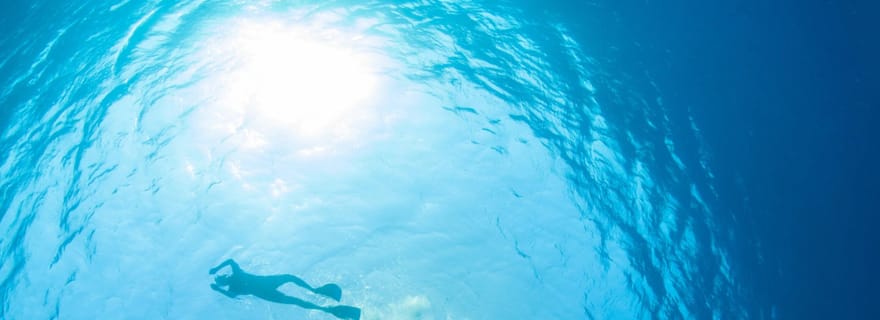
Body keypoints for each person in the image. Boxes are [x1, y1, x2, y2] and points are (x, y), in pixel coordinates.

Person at [209, 259, 361, 320]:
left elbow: (230, 261)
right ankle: (328, 310)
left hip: (265, 284)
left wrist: (216, 268)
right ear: (222, 281)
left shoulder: (236, 274)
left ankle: (315, 290)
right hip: (265, 292)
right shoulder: (233, 286)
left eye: (220, 277)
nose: (222, 278)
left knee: (289, 277)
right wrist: (218, 290)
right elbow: (231, 295)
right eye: (220, 279)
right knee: (295, 301)